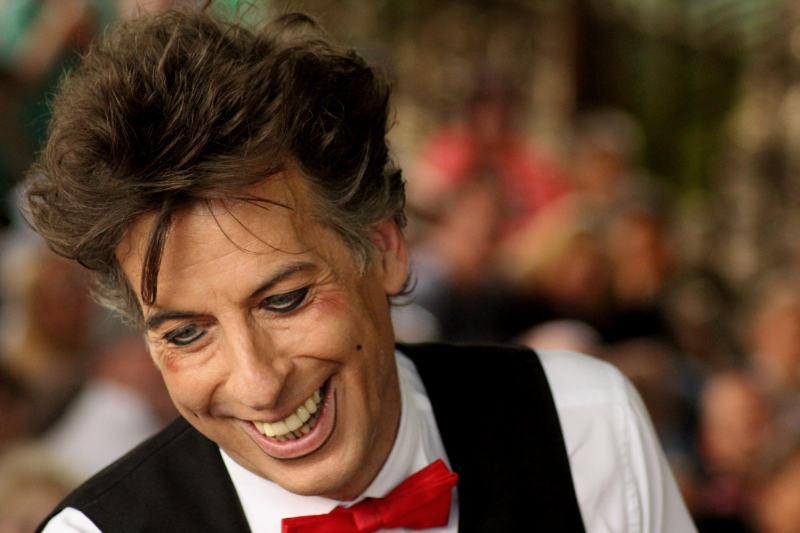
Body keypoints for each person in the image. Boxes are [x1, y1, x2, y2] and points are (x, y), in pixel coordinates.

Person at [24, 6, 696, 532]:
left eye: (284, 299)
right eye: (186, 333)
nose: (259, 383)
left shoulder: (583, 428)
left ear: (384, 246)